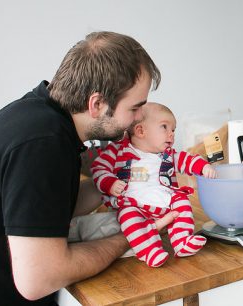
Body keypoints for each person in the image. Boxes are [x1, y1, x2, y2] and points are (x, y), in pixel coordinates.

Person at [0, 31, 178, 305]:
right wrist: (131, 237)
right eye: (135, 108)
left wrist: (125, 180)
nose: (139, 118)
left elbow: (49, 206)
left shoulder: (36, 113)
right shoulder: (43, 145)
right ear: (96, 104)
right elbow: (39, 280)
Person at [91, 102, 217, 267]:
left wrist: (204, 167)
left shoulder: (167, 155)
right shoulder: (117, 151)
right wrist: (110, 182)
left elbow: (187, 159)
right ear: (141, 131)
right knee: (128, 219)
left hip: (165, 200)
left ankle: (182, 241)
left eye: (173, 130)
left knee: (182, 201)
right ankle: (149, 251)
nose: (171, 134)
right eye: (164, 127)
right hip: (132, 203)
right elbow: (99, 168)